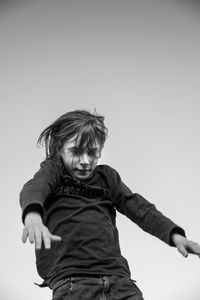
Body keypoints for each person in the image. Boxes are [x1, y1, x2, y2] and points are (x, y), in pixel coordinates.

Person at [20, 109, 200, 300]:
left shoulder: (107, 178)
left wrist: (175, 235)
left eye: (92, 153)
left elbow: (141, 210)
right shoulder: (54, 172)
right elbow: (33, 188)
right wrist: (33, 217)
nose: (85, 161)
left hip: (119, 281)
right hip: (73, 281)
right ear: (59, 149)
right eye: (75, 152)